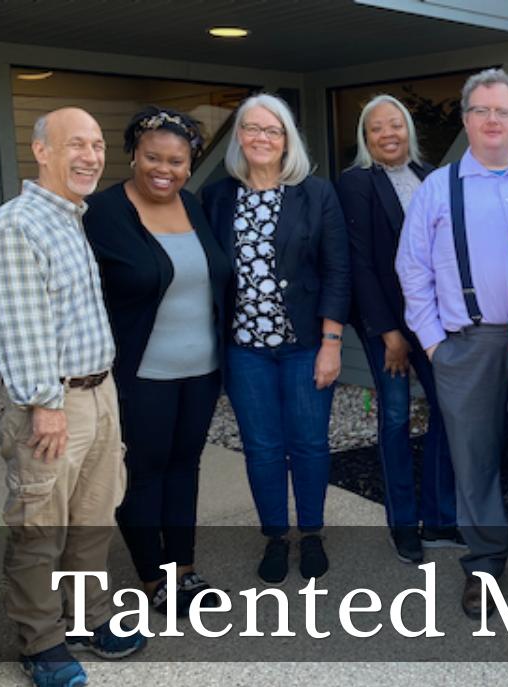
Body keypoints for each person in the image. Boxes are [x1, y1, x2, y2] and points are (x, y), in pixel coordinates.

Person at [0, 107, 147, 687]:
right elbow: (22, 328)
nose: (91, 156)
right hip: (52, 403)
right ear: (41, 150)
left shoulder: (70, 218)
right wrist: (45, 404)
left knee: (94, 517)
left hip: (98, 392)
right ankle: (41, 642)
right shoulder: (16, 225)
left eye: (97, 145)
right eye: (76, 144)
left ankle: (90, 617)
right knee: (40, 525)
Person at [396, 68, 508, 618]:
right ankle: (484, 565)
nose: (492, 120)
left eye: (503, 111)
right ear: (466, 119)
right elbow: (412, 269)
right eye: (481, 110)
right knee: (473, 462)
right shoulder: (438, 188)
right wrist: (435, 345)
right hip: (467, 344)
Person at [83, 107, 232, 615]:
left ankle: (183, 571)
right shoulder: (101, 212)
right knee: (144, 472)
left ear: (189, 165)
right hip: (141, 373)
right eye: (153, 157)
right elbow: (66, 280)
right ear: (133, 155)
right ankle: (152, 579)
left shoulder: (193, 205)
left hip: (202, 370)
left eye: (177, 161)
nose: (164, 169)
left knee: (184, 466)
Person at [201, 93, 350, 586]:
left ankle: (311, 532)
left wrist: (332, 341)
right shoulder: (217, 197)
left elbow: (337, 270)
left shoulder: (316, 193)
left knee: (308, 443)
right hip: (245, 350)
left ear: (287, 140)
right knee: (262, 447)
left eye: (273, 129)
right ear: (239, 136)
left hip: (305, 345)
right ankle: (275, 536)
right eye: (252, 128)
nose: (261, 137)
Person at [337, 94, 457, 565]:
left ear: (408, 128)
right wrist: (389, 333)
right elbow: (360, 262)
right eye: (376, 128)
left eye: (395, 125)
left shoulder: (431, 176)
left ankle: (441, 517)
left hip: (435, 323)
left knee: (449, 411)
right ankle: (404, 524)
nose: (388, 134)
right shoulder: (356, 182)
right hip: (386, 323)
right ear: (365, 138)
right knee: (395, 417)